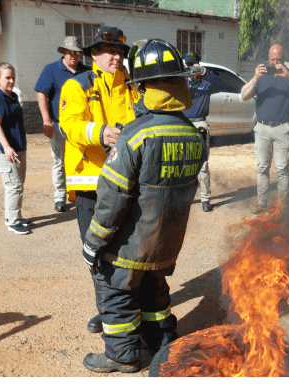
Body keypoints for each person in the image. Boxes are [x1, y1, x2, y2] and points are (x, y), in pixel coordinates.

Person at [80, 38, 206, 373]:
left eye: (138, 87)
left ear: (146, 88)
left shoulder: (135, 136)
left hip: (131, 244)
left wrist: (94, 241)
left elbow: (112, 197)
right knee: (155, 291)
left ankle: (122, 357)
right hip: (166, 243)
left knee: (115, 293)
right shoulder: (194, 135)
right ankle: (162, 342)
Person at [58, 26, 139, 335]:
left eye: (119, 51)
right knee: (97, 251)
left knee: (128, 249)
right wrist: (100, 133)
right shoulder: (77, 85)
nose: (116, 57)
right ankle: (107, 311)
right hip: (91, 182)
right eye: (109, 50)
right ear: (93, 54)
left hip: (127, 180)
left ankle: (125, 307)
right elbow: (69, 126)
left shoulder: (132, 86)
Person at [240, 43, 289, 214]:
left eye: (278, 59)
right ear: (268, 58)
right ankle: (261, 202)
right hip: (262, 128)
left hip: (282, 129)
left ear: (284, 58)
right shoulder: (262, 75)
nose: (275, 63)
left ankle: (283, 204)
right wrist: (255, 78)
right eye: (272, 59)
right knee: (262, 167)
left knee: (282, 168)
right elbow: (243, 95)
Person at [34, 36, 90, 213]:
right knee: (60, 161)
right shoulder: (51, 70)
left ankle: (80, 193)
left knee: (82, 158)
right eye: (70, 52)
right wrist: (46, 120)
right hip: (58, 124)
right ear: (64, 52)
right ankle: (60, 196)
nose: (74, 56)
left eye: (77, 53)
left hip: (81, 125)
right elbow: (42, 93)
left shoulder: (86, 72)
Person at [0, 62, 31, 235]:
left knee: (17, 184)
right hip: (3, 149)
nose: (11, 81)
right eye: (7, 78)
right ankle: (13, 222)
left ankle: (14, 216)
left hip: (18, 147)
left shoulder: (12, 96)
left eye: (13, 77)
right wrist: (6, 147)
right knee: (14, 185)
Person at [182, 52, 226, 212]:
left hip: (201, 123)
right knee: (183, 164)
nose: (192, 68)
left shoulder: (206, 84)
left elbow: (222, 85)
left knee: (203, 165)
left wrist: (205, 73)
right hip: (184, 125)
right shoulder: (182, 83)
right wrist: (185, 75)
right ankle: (183, 199)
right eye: (189, 65)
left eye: (194, 65)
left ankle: (205, 199)